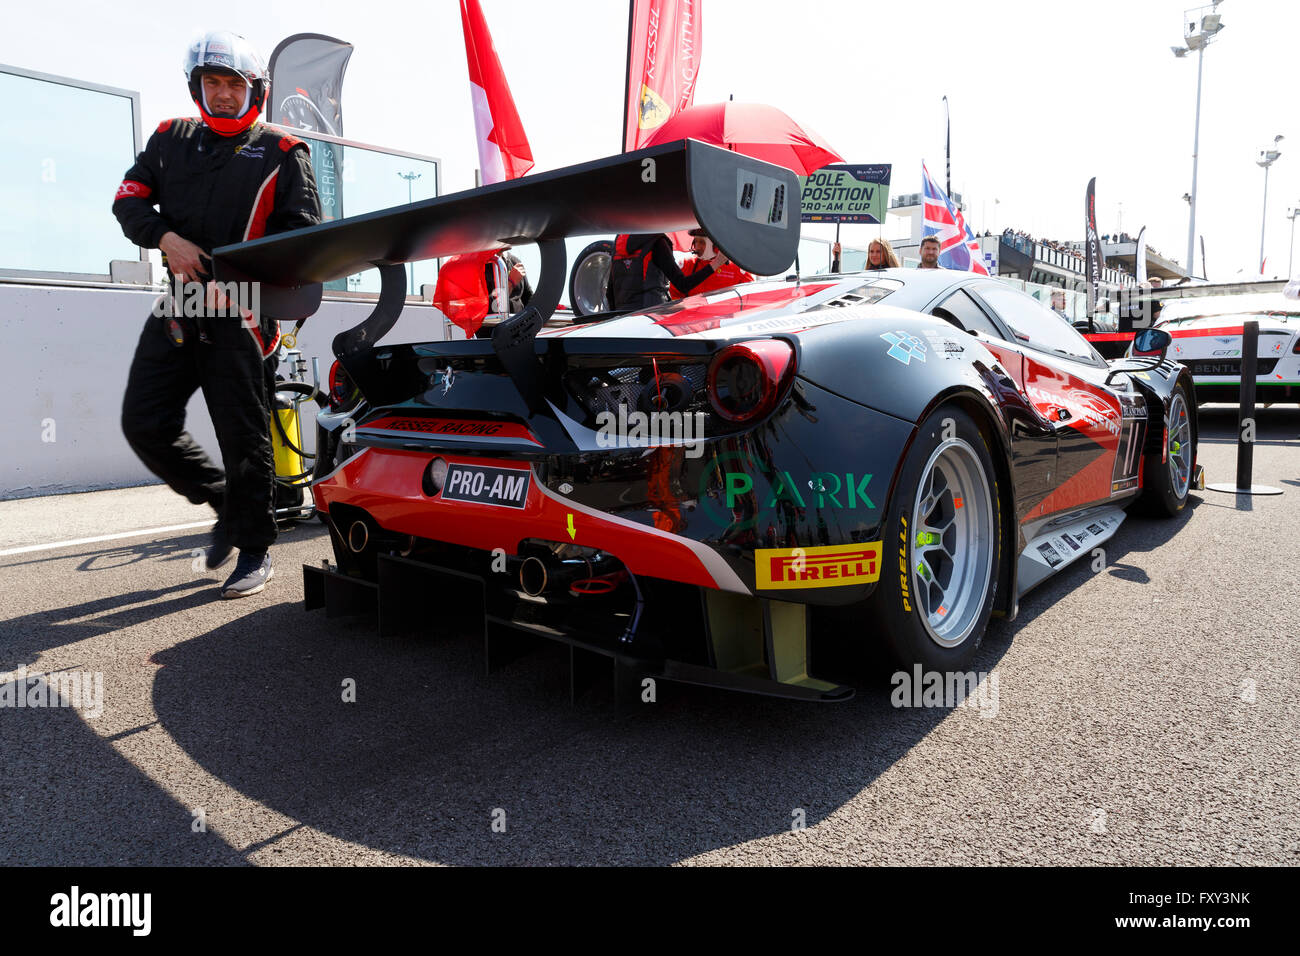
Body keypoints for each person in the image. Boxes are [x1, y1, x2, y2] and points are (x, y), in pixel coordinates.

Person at [114, 31, 322, 598]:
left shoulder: (283, 151)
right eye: (213, 83)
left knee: (243, 437)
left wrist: (248, 283)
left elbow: (304, 240)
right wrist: (166, 238)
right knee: (144, 422)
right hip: (181, 304)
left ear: (255, 88)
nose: (224, 94)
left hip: (246, 312)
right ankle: (225, 502)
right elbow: (127, 200)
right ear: (196, 87)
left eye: (234, 84)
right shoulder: (169, 138)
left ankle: (254, 550)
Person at [607, 233, 726, 310]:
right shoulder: (657, 242)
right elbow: (682, 285)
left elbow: (610, 293)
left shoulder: (618, 242)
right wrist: (716, 263)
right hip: (649, 317)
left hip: (622, 318)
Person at [669, 229, 754, 298]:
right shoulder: (686, 265)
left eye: (702, 242)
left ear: (716, 245)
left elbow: (750, 296)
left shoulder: (737, 269)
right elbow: (675, 295)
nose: (697, 247)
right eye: (695, 241)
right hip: (694, 318)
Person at [475, 248, 532, 339]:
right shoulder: (476, 264)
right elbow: (486, 309)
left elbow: (528, 298)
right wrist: (510, 283)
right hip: (492, 340)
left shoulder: (515, 261)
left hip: (520, 336)